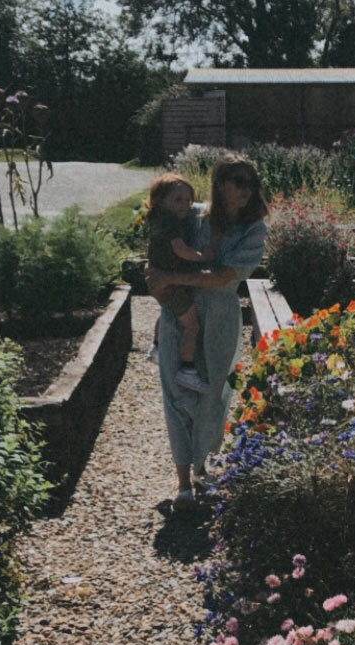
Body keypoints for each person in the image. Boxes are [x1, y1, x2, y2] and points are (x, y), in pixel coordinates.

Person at [146, 154, 269, 512]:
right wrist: (155, 276)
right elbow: (159, 243)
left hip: (219, 318)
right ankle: (183, 483)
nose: (246, 190)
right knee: (176, 391)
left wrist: (169, 278)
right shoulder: (192, 213)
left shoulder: (253, 229)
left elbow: (222, 277)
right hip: (179, 312)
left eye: (251, 182)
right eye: (238, 180)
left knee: (213, 396)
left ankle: (204, 471)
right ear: (220, 182)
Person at [145, 172, 213, 393]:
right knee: (192, 325)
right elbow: (180, 250)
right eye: (178, 199)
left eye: (188, 200)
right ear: (160, 201)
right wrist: (203, 257)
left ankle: (155, 348)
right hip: (173, 281)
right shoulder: (170, 223)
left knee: (168, 310)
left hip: (160, 278)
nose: (185, 205)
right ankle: (188, 369)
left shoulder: (158, 218)